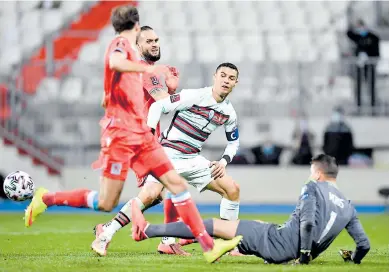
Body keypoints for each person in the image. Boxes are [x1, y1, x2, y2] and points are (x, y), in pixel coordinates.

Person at [25, 5, 241, 263]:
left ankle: (188, 241)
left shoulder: (144, 68)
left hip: (145, 139)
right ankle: (154, 235)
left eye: (156, 40)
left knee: (171, 190)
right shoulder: (136, 61)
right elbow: (160, 99)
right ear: (136, 36)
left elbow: (118, 96)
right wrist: (162, 84)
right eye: (148, 40)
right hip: (130, 137)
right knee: (136, 197)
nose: (154, 44)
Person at [92, 62, 242, 257]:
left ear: (235, 83)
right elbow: (158, 106)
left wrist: (223, 162)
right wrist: (150, 136)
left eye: (231, 78)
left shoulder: (229, 112)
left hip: (192, 157)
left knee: (232, 189)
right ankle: (107, 232)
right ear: (215, 76)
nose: (226, 80)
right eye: (223, 75)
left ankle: (227, 244)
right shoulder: (194, 96)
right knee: (150, 195)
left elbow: (233, 143)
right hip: (169, 153)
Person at [131, 154, 370, 265]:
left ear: (318, 173)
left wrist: (304, 256)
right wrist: (354, 259)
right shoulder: (349, 207)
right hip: (283, 241)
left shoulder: (312, 186)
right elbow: (364, 246)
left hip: (280, 245)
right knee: (246, 226)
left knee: (216, 224)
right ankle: (195, 241)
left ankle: (148, 230)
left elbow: (307, 223)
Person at [347, 19, 380, 114]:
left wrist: (370, 57)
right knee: (358, 86)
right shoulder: (358, 37)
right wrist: (352, 26)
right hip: (359, 66)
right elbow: (349, 34)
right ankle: (358, 107)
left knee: (371, 86)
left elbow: (376, 50)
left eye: (361, 26)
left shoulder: (372, 37)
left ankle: (373, 108)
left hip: (370, 66)